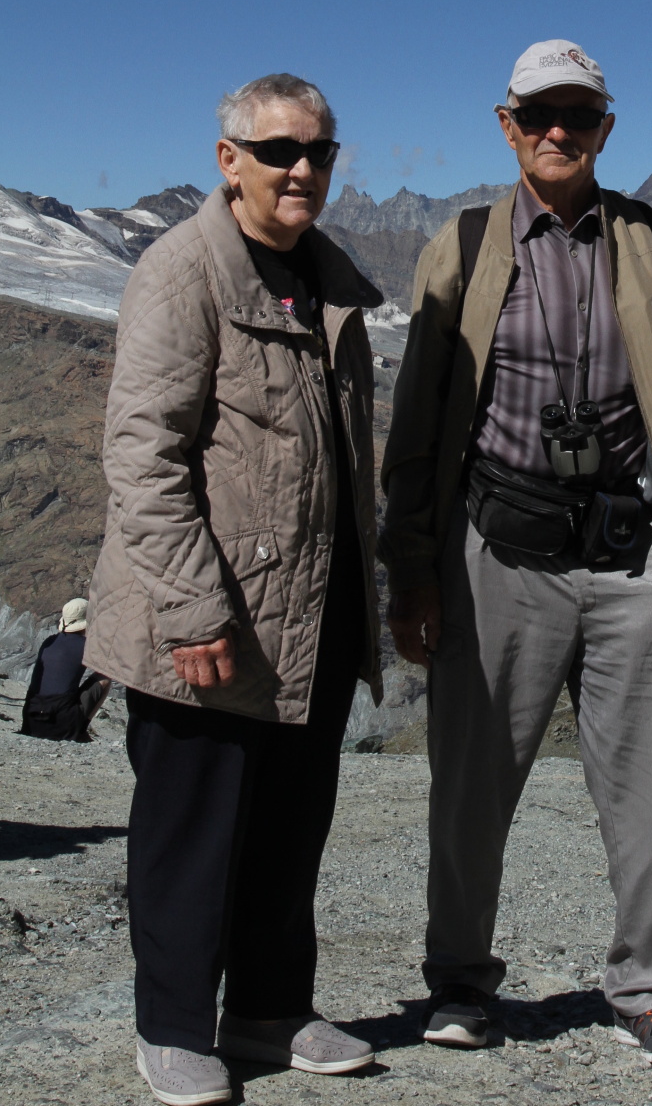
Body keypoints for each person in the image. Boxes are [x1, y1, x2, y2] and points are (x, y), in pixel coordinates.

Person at [381, 39, 652, 1068]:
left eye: (578, 114)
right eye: (539, 115)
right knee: (470, 784)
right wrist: (414, 568)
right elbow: (418, 420)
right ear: (508, 127)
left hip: (628, 550)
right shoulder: (465, 244)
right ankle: (458, 982)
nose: (559, 131)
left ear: (606, 128)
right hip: (499, 551)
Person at [85, 73, 382, 1105]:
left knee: (290, 822)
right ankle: (172, 1026)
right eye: (278, 151)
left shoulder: (326, 279)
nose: (302, 169)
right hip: (212, 616)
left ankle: (268, 1010)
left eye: (318, 151)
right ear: (230, 160)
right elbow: (143, 456)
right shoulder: (182, 272)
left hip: (312, 610)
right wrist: (193, 607)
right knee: (191, 828)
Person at [21, 597, 111, 741]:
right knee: (104, 678)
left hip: (31, 720)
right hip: (62, 722)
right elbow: (109, 665)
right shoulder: (86, 646)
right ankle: (80, 729)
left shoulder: (49, 641)